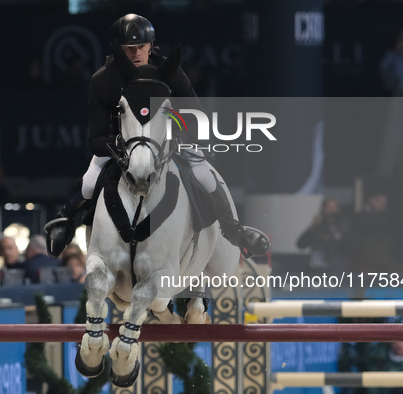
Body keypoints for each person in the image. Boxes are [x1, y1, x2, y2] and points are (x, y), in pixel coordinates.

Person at [44, 13, 270, 260]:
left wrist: (174, 138)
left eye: (141, 46)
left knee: (203, 173)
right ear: (118, 50)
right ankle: (64, 224)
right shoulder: (103, 80)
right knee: (89, 182)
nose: (135, 53)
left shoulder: (169, 73)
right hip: (121, 149)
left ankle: (234, 231)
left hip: (169, 142)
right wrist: (123, 145)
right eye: (128, 48)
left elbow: (197, 116)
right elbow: (96, 138)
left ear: (151, 45)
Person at [297, 198, 352, 273]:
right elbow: (301, 244)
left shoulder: (343, 224)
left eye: (334, 208)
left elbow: (344, 244)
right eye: (328, 208)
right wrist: (313, 226)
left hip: (336, 268)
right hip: (317, 268)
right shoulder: (318, 225)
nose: (331, 211)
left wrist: (331, 225)